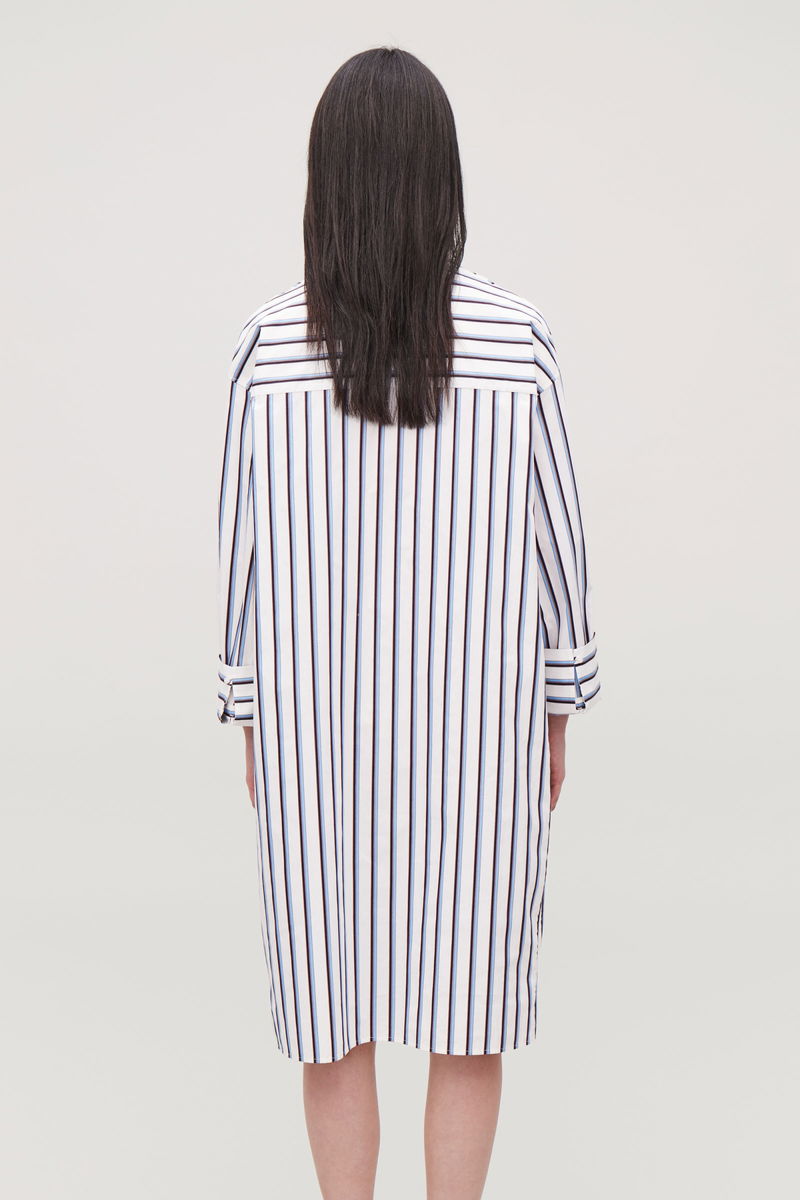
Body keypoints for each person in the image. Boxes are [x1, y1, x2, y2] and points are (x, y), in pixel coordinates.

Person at [216, 45, 601, 1200]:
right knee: (465, 1012)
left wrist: (250, 714)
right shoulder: (516, 344)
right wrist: (558, 704)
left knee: (330, 1014)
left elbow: (239, 565)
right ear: (443, 180)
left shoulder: (266, 351)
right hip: (478, 733)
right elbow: (559, 549)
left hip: (315, 734)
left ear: (323, 182)